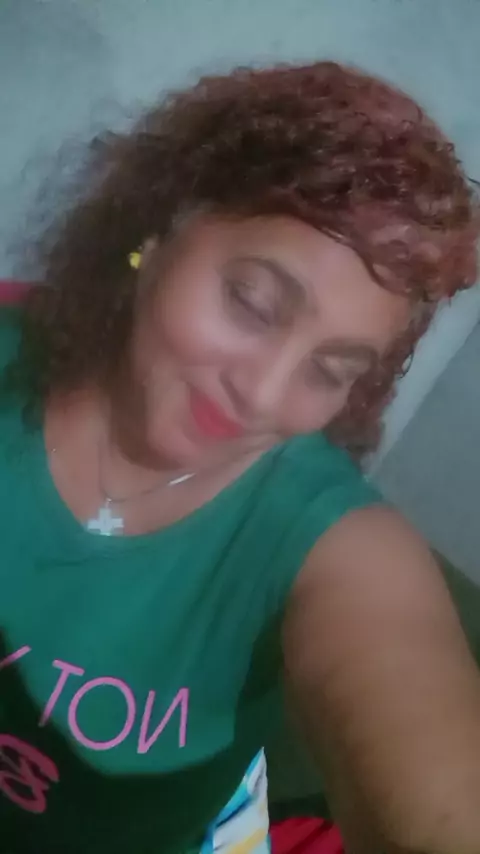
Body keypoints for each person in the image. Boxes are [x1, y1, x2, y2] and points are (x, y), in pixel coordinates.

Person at [1, 60, 479, 854]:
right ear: (161, 230)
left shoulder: (330, 542)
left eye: (330, 370)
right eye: (252, 303)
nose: (262, 394)